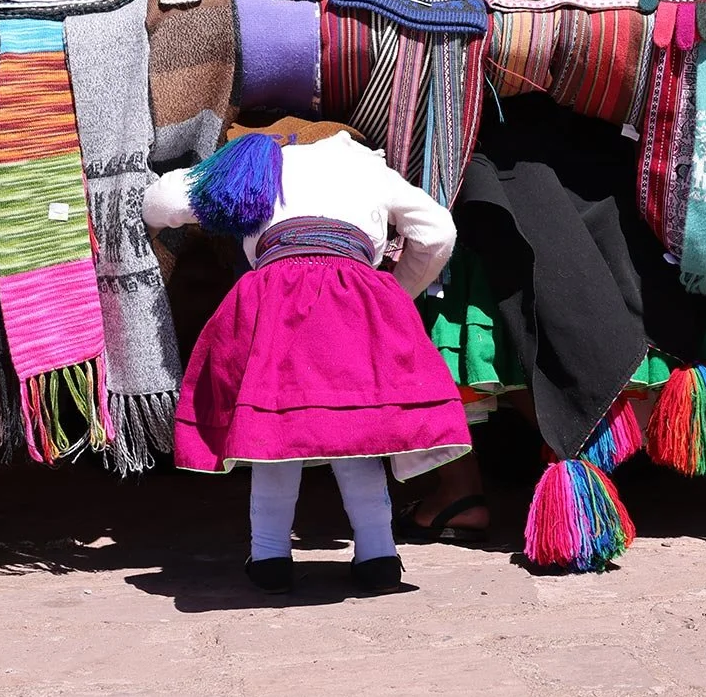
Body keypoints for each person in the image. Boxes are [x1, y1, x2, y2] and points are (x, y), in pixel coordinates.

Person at [143, 130, 469, 595]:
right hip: (354, 296)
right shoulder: (367, 166)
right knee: (356, 432)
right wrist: (398, 291)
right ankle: (378, 555)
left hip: (272, 298)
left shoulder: (255, 164)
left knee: (275, 430)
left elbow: (161, 202)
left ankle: (270, 556)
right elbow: (438, 230)